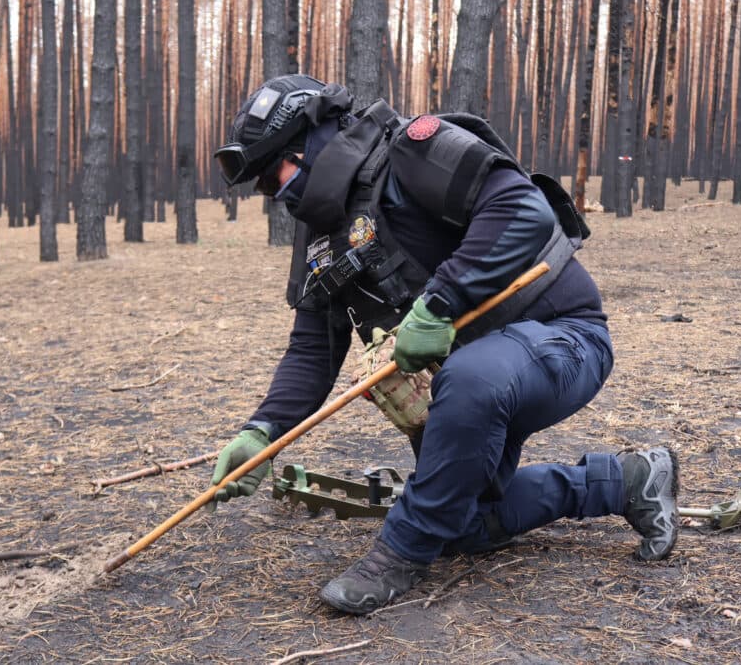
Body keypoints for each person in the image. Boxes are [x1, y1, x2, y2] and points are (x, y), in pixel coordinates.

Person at [210, 75, 679, 615]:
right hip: (469, 385)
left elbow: (524, 211)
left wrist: (439, 303)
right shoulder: (320, 237)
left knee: (469, 386)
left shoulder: (413, 148)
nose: (276, 196)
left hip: (560, 338)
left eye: (273, 178)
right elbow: (313, 349)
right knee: (461, 522)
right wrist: (263, 431)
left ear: (309, 145)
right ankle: (626, 480)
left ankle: (398, 554)